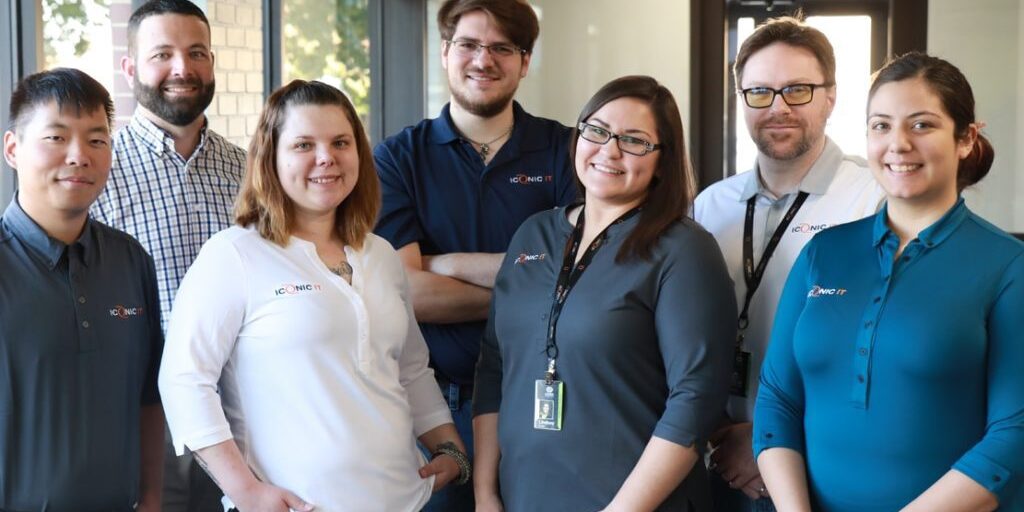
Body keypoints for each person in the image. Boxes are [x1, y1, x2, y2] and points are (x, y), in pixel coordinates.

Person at [159, 80, 468, 512]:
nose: (326, 157)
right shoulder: (234, 254)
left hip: (404, 501)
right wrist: (246, 492)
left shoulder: (379, 254)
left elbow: (410, 369)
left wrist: (451, 449)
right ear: (271, 157)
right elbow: (184, 380)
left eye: (341, 142)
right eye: (304, 144)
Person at [754, 52, 1024, 511]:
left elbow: (1014, 433)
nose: (897, 144)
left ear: (966, 139)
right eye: (881, 125)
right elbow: (777, 400)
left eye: (921, 125)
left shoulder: (1007, 265)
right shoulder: (823, 253)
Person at [474, 75, 736, 511]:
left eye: (634, 141)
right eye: (596, 131)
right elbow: (492, 367)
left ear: (663, 159)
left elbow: (696, 398)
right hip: (525, 495)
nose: (609, 150)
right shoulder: (533, 234)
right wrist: (485, 494)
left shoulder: (684, 249)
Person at [373, 1, 575, 509]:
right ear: (445, 52)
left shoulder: (567, 150)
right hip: (436, 411)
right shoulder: (398, 158)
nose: (483, 60)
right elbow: (408, 294)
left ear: (525, 61)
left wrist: (446, 263)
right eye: (468, 44)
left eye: (502, 48)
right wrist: (534, 286)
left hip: (543, 404)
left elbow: (578, 275)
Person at [692, 15, 884, 510]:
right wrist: (723, 435)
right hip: (713, 451)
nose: (778, 108)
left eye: (797, 90)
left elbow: (875, 347)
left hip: (818, 458)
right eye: (760, 92)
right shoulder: (711, 206)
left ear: (832, 96)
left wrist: (771, 441)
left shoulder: (874, 200)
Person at [90, 1, 247, 508]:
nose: (183, 68)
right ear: (130, 67)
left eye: (196, 52)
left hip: (244, 407)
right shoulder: (96, 171)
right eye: (163, 54)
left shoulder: (249, 171)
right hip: (140, 411)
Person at [0, 68, 164, 510]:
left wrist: (150, 499)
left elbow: (149, 396)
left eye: (96, 140)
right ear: (13, 149)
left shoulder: (131, 261)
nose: (79, 156)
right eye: (56, 138)